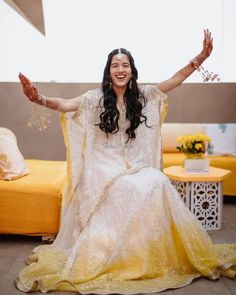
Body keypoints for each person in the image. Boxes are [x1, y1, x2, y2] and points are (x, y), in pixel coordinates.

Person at [15, 29, 236, 294]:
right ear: (108, 71)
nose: (120, 69)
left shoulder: (144, 96)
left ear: (132, 70)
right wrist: (39, 98)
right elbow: (64, 104)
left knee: (157, 181)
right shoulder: (94, 98)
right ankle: (112, 254)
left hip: (135, 163)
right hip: (103, 165)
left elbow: (176, 79)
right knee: (127, 189)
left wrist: (201, 56)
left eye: (125, 65)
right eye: (115, 65)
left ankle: (146, 252)